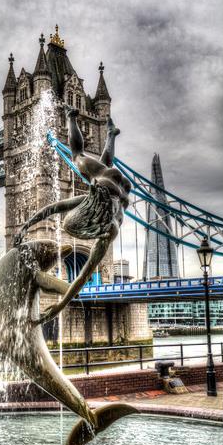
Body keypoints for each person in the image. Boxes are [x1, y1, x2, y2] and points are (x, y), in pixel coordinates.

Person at [14, 106, 131, 324]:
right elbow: (54, 208)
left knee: (84, 159)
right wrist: (59, 306)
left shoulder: (107, 226)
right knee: (83, 159)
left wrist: (59, 305)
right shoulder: (99, 212)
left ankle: (103, 131)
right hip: (111, 184)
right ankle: (75, 120)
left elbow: (82, 276)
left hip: (118, 186)